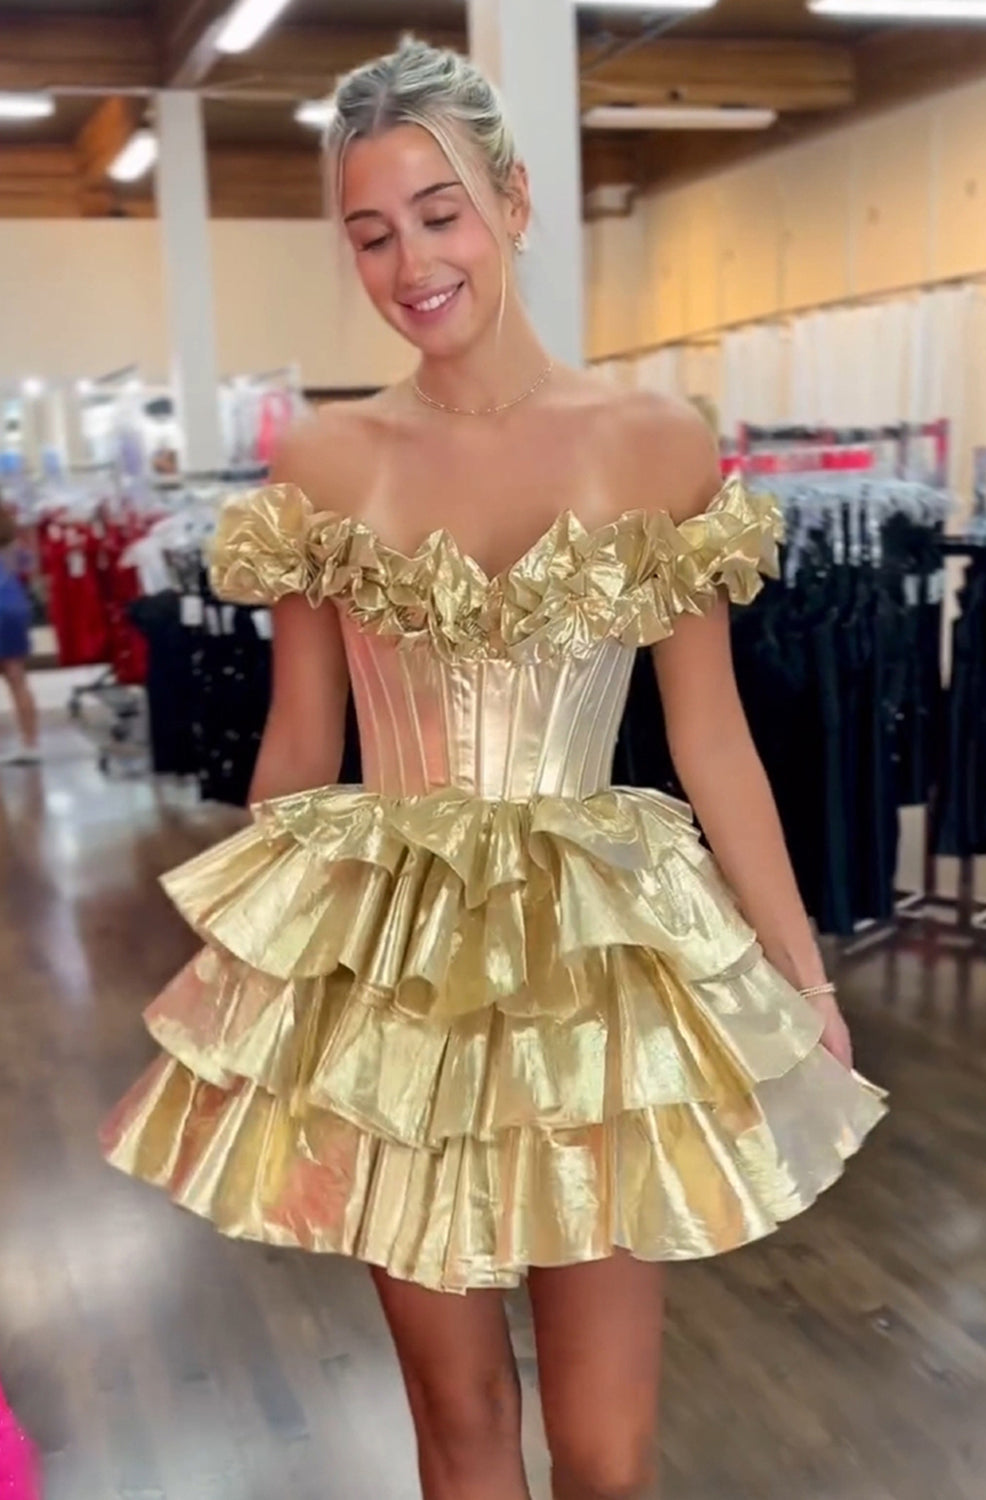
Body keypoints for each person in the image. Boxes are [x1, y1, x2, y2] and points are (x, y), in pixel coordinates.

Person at [101, 39, 885, 1500]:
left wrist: (803, 974)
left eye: (439, 212)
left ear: (514, 204)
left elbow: (710, 734)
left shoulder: (655, 442)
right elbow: (300, 741)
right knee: (458, 1422)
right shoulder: (325, 458)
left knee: (605, 1449)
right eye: (371, 233)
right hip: (393, 978)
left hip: (595, 972)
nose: (412, 263)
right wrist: (260, 991)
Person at [0, 503, 40, 767]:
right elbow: (33, 568)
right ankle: (30, 743)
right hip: (15, 607)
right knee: (18, 679)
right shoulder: (15, 547)